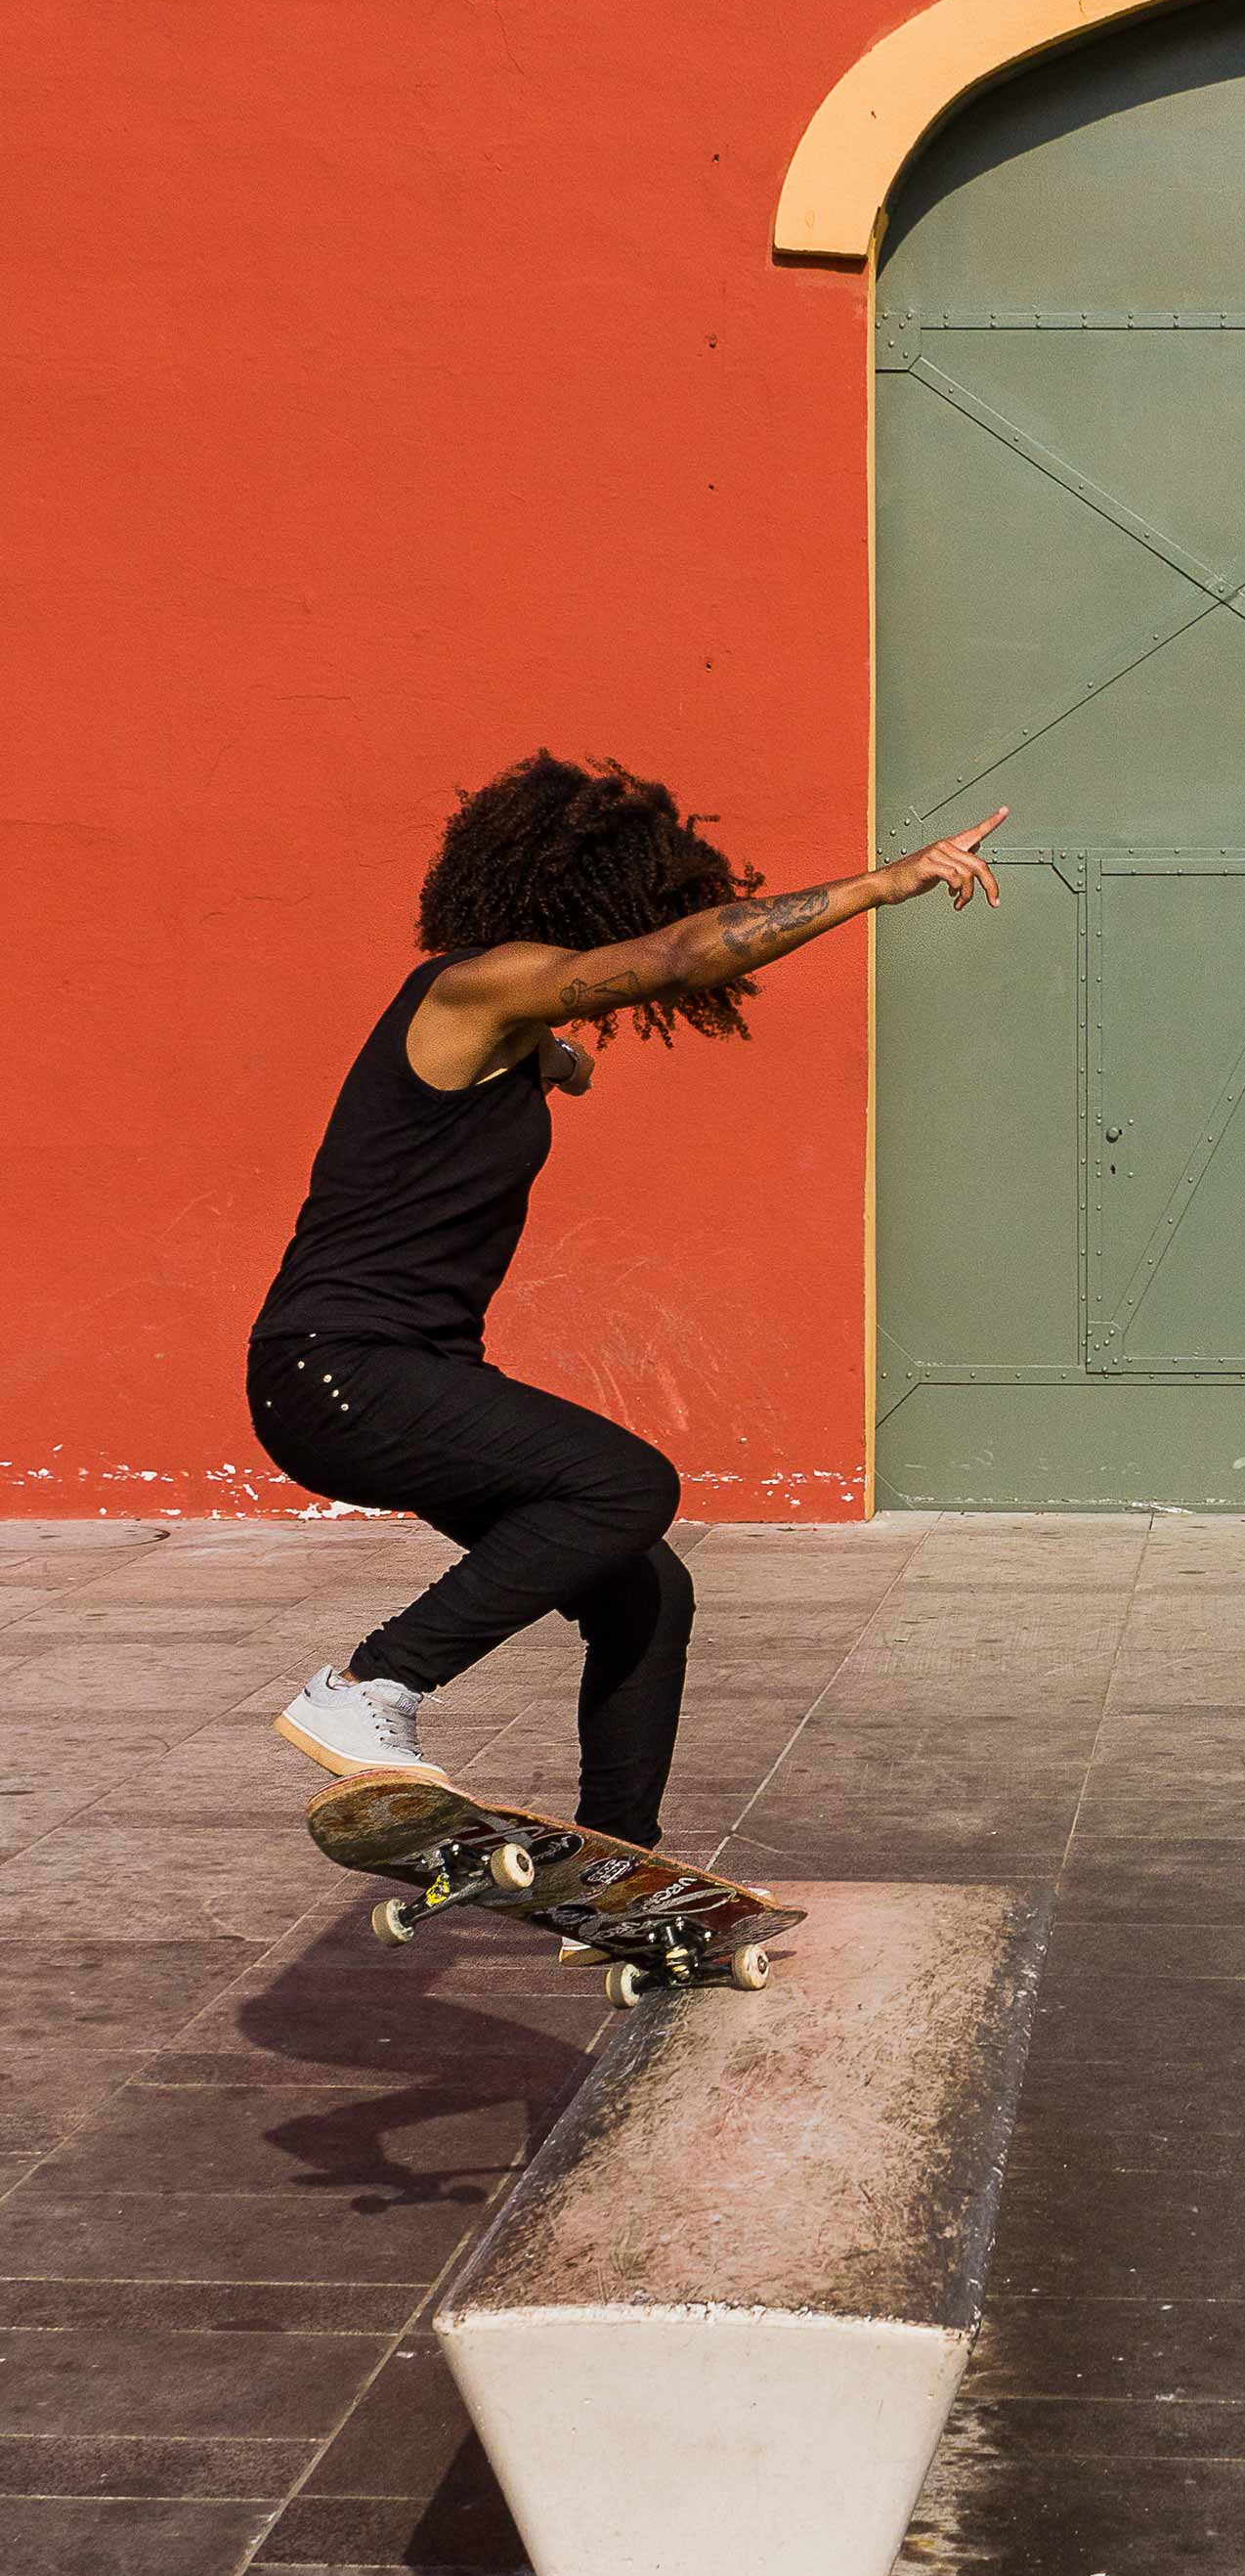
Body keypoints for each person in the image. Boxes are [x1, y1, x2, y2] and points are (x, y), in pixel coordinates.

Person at [248, 750, 1004, 1847]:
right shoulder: (472, 984)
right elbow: (683, 959)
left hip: (394, 1372)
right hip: (339, 1368)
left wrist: (555, 1062)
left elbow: (531, 1044)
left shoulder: (500, 1024)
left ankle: (617, 1865)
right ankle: (371, 1688)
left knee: (641, 1589)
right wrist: (883, 883)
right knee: (625, 1486)